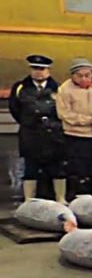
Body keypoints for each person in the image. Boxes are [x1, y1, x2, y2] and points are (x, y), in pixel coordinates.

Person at [9, 55, 65, 203]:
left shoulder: (58, 88)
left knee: (57, 168)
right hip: (31, 134)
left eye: (42, 69)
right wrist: (28, 122)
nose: (38, 72)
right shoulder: (20, 87)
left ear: (48, 70)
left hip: (53, 135)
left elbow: (64, 109)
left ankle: (60, 199)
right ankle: (29, 200)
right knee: (30, 168)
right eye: (35, 68)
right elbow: (15, 109)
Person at [55, 58, 92, 198]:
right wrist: (86, 120)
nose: (84, 79)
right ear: (72, 76)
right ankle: (79, 198)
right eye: (80, 76)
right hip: (76, 137)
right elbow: (64, 114)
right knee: (79, 172)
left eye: (87, 75)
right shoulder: (64, 90)